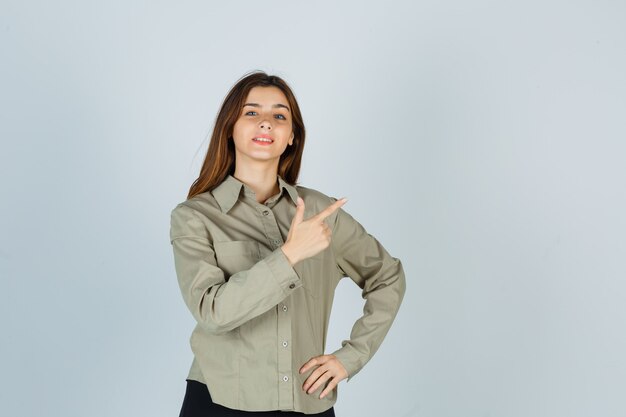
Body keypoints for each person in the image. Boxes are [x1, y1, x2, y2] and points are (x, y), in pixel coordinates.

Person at [170, 71, 406, 416]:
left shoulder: (321, 213)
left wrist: (350, 357)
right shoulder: (196, 217)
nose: (266, 123)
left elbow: (388, 276)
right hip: (220, 400)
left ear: (292, 135)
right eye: (252, 113)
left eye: (279, 116)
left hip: (306, 399)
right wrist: (290, 254)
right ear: (230, 128)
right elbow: (212, 312)